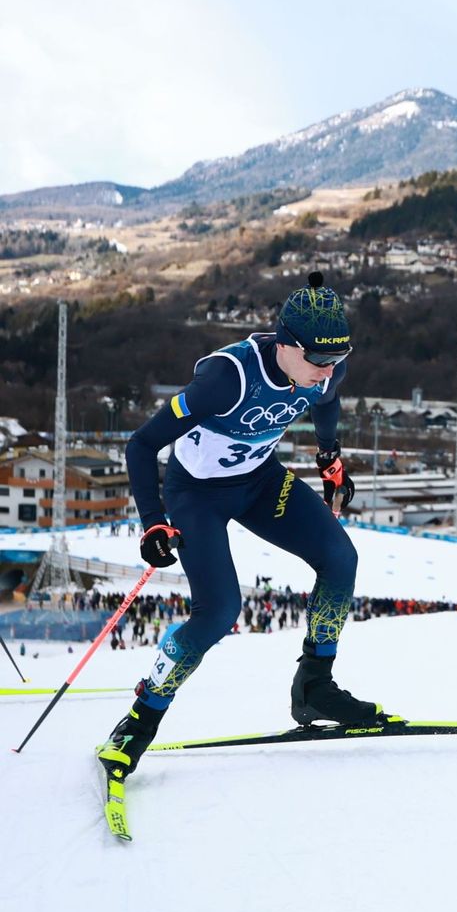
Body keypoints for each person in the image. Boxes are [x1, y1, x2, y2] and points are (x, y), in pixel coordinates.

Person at [97, 273, 396, 780]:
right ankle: (137, 724)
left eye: (337, 359)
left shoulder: (324, 370)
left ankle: (314, 687)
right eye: (318, 360)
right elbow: (141, 445)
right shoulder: (227, 377)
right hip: (197, 495)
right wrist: (152, 523)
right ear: (285, 344)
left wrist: (329, 458)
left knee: (340, 559)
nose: (327, 371)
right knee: (219, 611)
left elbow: (326, 403)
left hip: (259, 482)